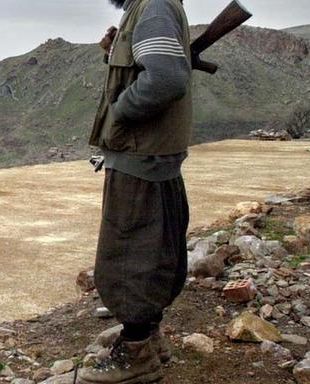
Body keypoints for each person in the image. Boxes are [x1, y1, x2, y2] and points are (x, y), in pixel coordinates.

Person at [79, 0, 193, 382]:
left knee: (130, 255)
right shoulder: (150, 6)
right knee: (154, 250)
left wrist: (121, 112)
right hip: (149, 156)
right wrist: (113, 55)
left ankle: (135, 354)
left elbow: (166, 79)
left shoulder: (154, 7)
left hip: (140, 157)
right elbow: (151, 69)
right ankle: (148, 336)